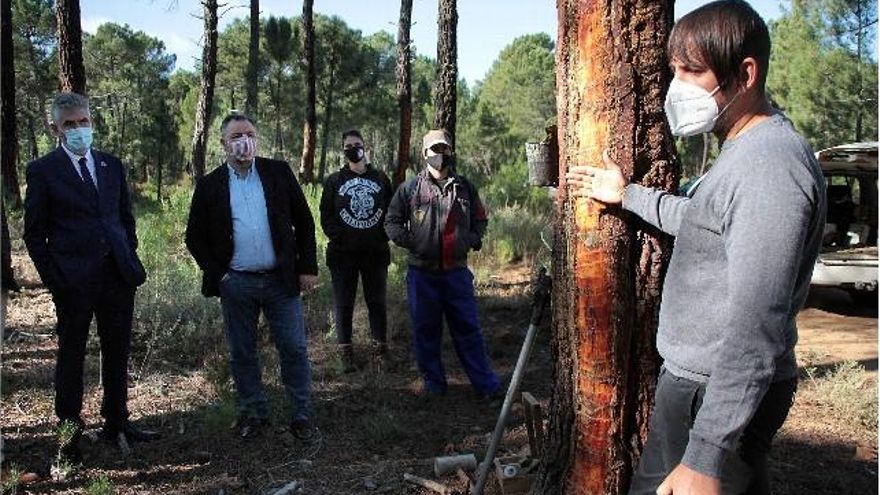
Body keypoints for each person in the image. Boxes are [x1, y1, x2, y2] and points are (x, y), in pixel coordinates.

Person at [566, 2, 826, 494]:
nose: (677, 86)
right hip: (699, 388)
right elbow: (707, 222)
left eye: (693, 70)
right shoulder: (748, 151)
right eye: (674, 70)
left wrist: (707, 456)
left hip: (715, 396)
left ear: (745, 73)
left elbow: (758, 324)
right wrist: (629, 196)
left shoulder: (770, 166)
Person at [23, 92, 156, 464]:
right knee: (71, 356)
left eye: (84, 122)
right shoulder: (43, 171)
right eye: (70, 124)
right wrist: (54, 277)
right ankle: (69, 435)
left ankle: (117, 421)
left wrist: (128, 253)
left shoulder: (111, 165)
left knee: (117, 351)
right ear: (56, 129)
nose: (79, 129)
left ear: (92, 123)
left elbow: (124, 218)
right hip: (73, 281)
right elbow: (33, 233)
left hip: (117, 275)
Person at [185, 113, 319, 441]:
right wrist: (221, 276)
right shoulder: (210, 185)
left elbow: (304, 222)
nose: (244, 142)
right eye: (236, 136)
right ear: (223, 144)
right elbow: (194, 237)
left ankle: (301, 413)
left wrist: (307, 268)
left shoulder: (278, 173)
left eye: (250, 134)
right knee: (242, 351)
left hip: (280, 280)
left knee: (293, 347)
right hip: (237, 283)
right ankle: (253, 413)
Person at [385, 129, 501, 399]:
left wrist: (472, 239)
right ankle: (434, 385)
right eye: (434, 150)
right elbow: (391, 222)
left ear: (451, 151)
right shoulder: (410, 188)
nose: (440, 154)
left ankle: (486, 386)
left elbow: (481, 219)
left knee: (469, 330)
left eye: (444, 149)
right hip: (421, 274)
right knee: (426, 331)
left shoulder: (465, 187)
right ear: (424, 154)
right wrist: (413, 242)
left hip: (456, 273)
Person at [319, 129, 392, 372]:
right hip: (342, 256)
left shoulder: (380, 179)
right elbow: (326, 214)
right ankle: (345, 355)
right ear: (344, 150)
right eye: (348, 145)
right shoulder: (334, 181)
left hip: (375, 254)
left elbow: (392, 212)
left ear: (365, 146)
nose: (353, 149)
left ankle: (380, 352)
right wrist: (340, 238)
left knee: (377, 303)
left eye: (357, 144)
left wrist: (381, 236)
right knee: (344, 304)